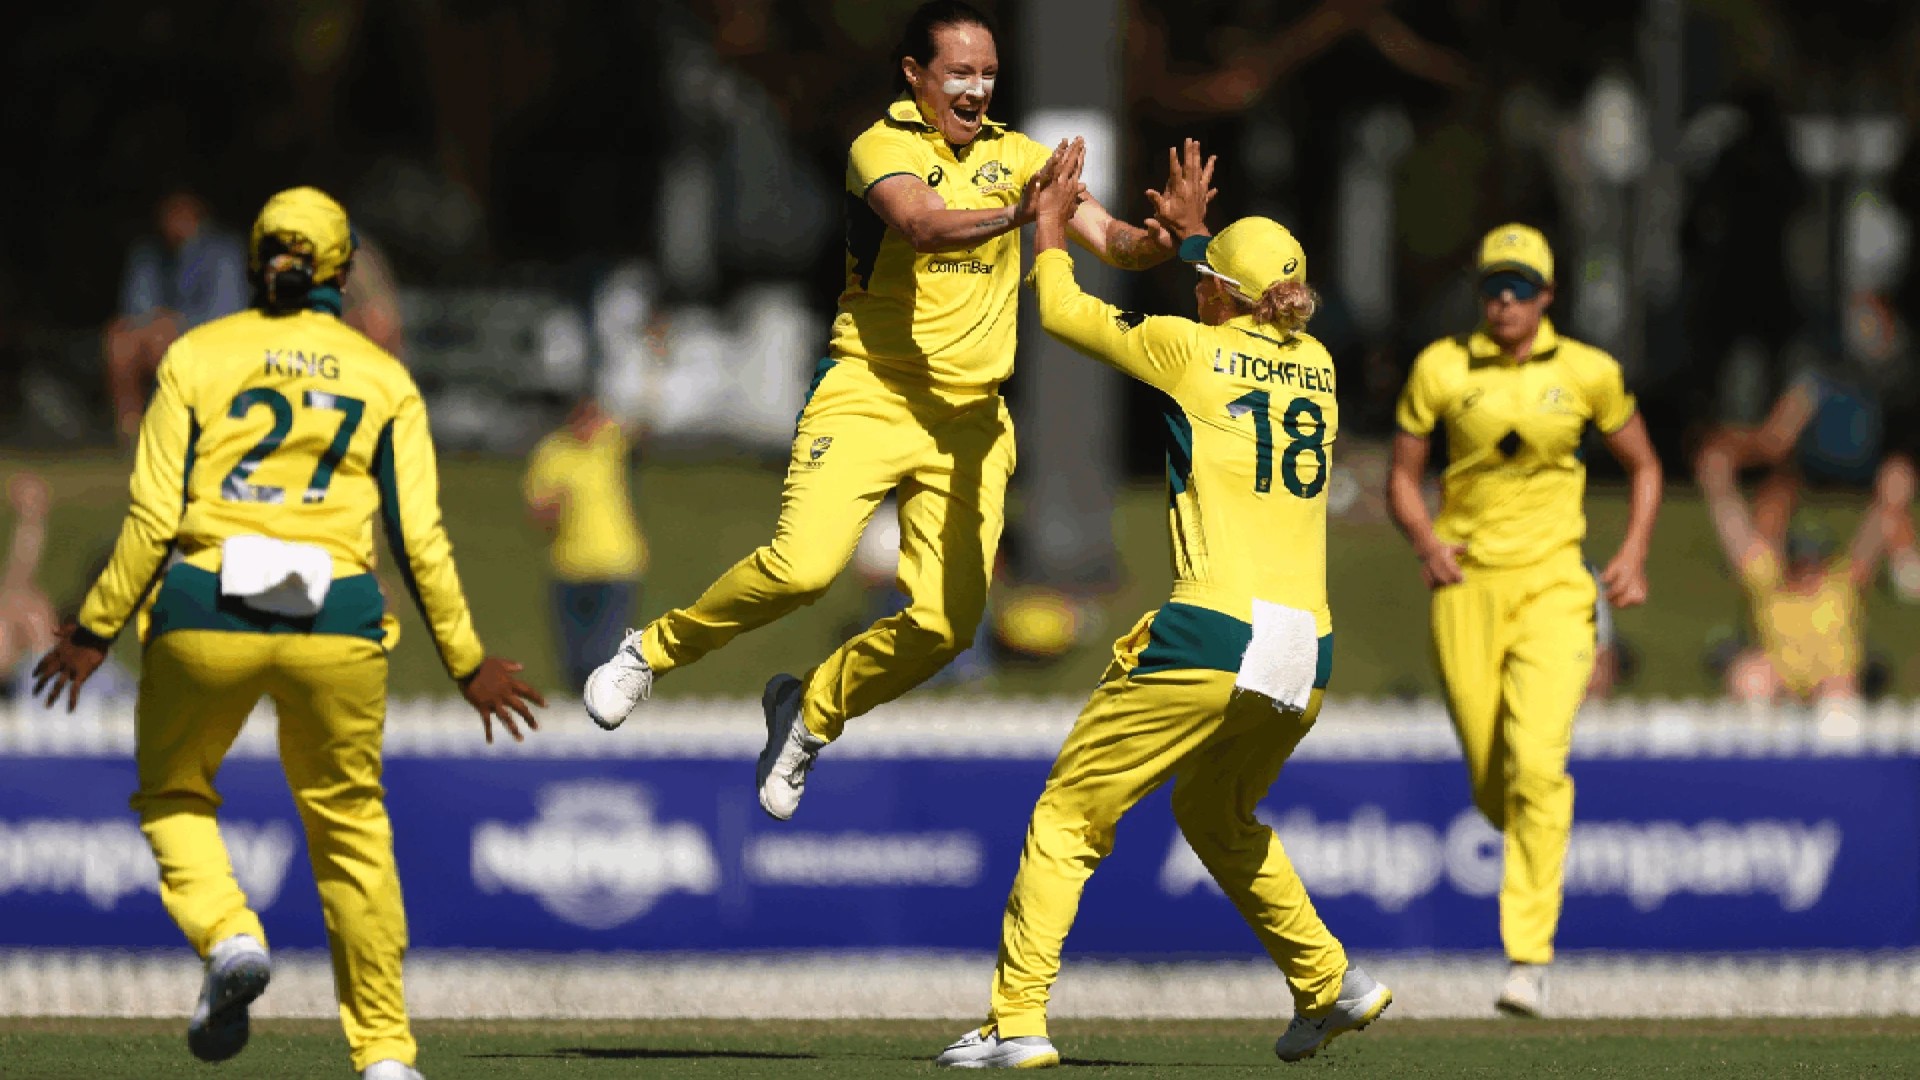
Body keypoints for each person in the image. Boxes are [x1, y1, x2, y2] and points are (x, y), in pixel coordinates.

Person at [585, 0, 1191, 821]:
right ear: (915, 76)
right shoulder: (881, 146)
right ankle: (650, 652)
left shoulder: (1024, 157)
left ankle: (808, 712)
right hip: (870, 395)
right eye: (958, 75)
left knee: (946, 626)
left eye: (988, 74)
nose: (976, 91)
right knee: (802, 568)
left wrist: (1166, 238)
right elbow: (925, 225)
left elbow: (1109, 236)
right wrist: (1023, 213)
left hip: (969, 421)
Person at [32, 187, 542, 1080]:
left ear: (250, 264)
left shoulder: (195, 354)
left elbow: (152, 517)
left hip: (204, 609)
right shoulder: (384, 379)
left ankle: (229, 937)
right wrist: (467, 663)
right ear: (342, 272)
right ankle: (385, 1057)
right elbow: (419, 540)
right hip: (335, 615)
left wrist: (92, 628)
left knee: (173, 796)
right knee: (350, 827)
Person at [936, 141, 1389, 1070]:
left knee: (1068, 816)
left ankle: (1015, 1023)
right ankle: (1328, 981)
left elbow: (1060, 309)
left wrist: (1050, 227)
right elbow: (1240, 300)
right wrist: (1192, 243)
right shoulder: (1324, 367)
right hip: (1306, 649)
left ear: (1221, 295)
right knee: (1217, 814)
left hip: (1210, 631)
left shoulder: (1193, 350)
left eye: (1206, 281)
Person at [1386, 224, 1663, 1018]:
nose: (1503, 300)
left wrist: (1635, 552)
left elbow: (1645, 464)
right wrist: (1424, 539)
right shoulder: (1441, 366)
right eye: (1492, 286)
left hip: (1555, 587)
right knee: (1492, 781)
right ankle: (1535, 828)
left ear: (1547, 295)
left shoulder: (1588, 372)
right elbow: (1405, 479)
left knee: (1539, 765)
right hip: (1465, 588)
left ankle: (1528, 960)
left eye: (1518, 286)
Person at [1697, 434, 1898, 710]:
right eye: (1800, 561)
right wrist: (1717, 483)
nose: (1806, 570)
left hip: (1831, 681)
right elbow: (1735, 530)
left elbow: (1873, 535)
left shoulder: (1841, 583)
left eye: (1812, 562)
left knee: (1838, 693)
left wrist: (1892, 493)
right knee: (1749, 676)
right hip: (1782, 680)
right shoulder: (1771, 579)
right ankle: (1754, 743)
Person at [105, 190, 249, 444]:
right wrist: (157, 324)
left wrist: (176, 324)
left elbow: (226, 310)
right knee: (119, 341)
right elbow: (135, 307)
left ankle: (178, 433)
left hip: (211, 337)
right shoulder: (149, 255)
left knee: (165, 343)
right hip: (154, 337)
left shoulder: (224, 252)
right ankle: (132, 432)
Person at [524, 397, 648, 690]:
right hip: (569, 567)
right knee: (573, 662)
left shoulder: (609, 443)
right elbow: (537, 516)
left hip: (616, 566)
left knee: (604, 655)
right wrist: (552, 509)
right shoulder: (552, 453)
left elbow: (645, 421)